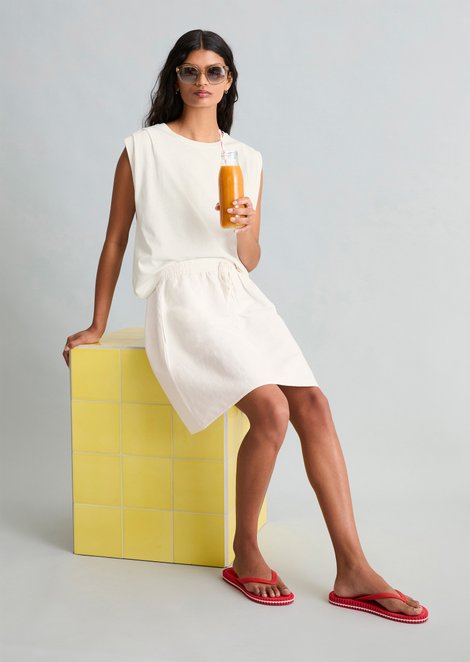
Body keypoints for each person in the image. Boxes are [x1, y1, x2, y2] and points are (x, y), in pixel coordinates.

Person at [63, 29, 427, 621]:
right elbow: (115, 239)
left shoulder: (245, 159)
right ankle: (246, 551)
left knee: (314, 404)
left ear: (229, 81)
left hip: (236, 293)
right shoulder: (143, 150)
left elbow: (248, 258)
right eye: (190, 71)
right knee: (271, 410)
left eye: (214, 71)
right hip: (180, 298)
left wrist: (242, 226)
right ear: (175, 79)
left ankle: (354, 567)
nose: (201, 82)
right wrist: (97, 325)